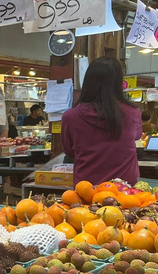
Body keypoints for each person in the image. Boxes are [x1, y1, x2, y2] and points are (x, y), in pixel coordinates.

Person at [61, 57, 142, 185]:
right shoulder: (133, 112)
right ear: (119, 83)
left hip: (87, 190)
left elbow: (70, 152)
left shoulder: (70, 117)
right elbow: (136, 136)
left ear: (87, 82)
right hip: (126, 190)